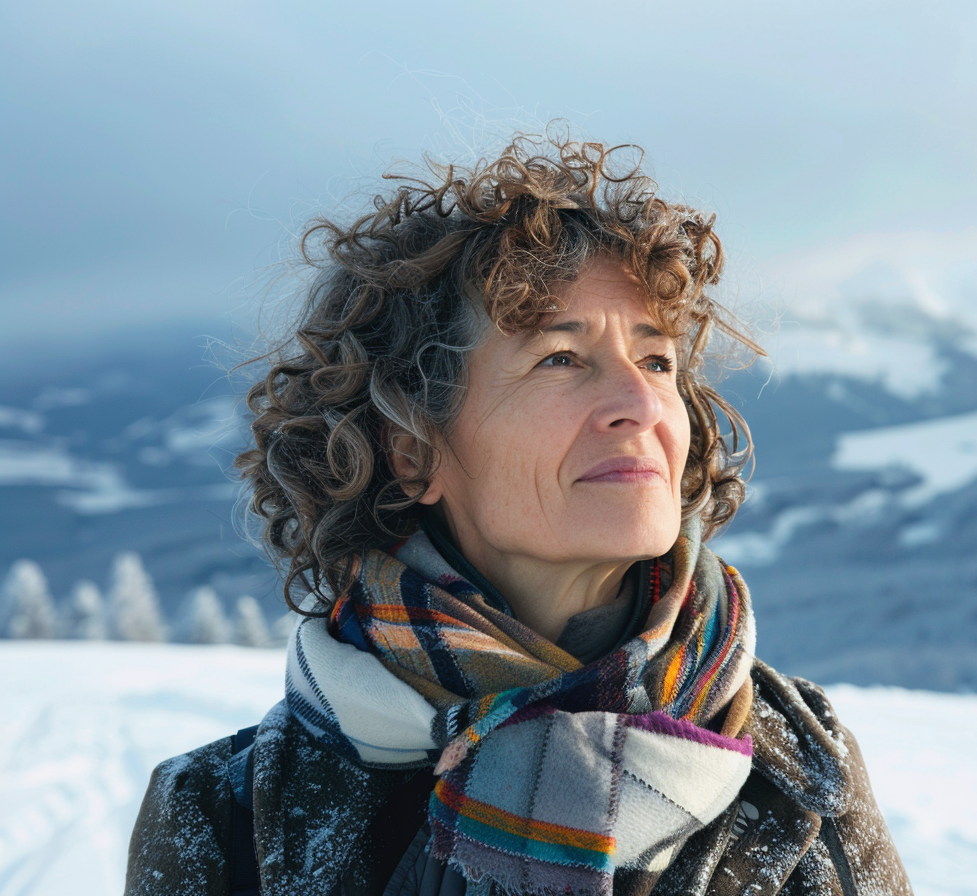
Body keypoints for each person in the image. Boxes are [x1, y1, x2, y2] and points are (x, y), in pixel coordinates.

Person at [125, 134, 911, 896]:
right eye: (561, 358)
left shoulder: (799, 767)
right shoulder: (227, 816)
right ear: (412, 451)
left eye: (657, 359)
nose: (640, 404)